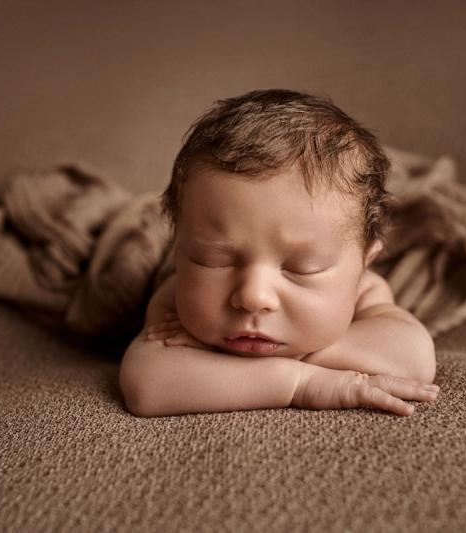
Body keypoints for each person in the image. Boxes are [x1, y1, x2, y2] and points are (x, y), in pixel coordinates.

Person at [119, 89, 440, 417]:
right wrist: (300, 382)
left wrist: (295, 353)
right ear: (178, 253)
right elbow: (148, 384)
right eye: (213, 260)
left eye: (303, 268)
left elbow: (413, 359)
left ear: (362, 265)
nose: (253, 296)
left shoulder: (367, 291)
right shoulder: (177, 296)